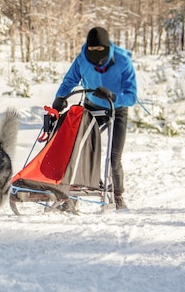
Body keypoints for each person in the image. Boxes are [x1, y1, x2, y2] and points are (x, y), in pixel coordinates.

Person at [52, 26, 137, 210]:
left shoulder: (122, 61)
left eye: (100, 50)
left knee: (114, 157)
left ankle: (118, 195)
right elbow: (69, 81)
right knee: (79, 150)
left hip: (117, 109)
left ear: (107, 48)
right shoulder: (82, 59)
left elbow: (132, 96)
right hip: (91, 107)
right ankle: (72, 195)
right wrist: (60, 98)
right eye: (92, 50)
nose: (95, 54)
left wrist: (114, 96)